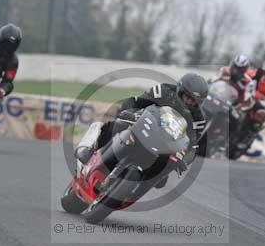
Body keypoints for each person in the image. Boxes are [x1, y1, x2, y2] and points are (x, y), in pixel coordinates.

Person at [75, 73, 208, 188]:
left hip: (166, 146)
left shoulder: (198, 120)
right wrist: (127, 112)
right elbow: (135, 101)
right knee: (116, 126)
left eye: (194, 101)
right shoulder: (163, 91)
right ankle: (92, 149)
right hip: (143, 126)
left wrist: (184, 161)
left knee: (161, 180)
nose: (189, 103)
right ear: (180, 90)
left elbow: (192, 145)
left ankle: (129, 192)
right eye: (187, 97)